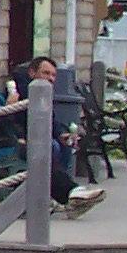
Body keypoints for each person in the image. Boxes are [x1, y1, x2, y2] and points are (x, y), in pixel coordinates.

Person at [19, 55, 105, 217]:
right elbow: (12, 121)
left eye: (53, 75)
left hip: (36, 138)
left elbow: (51, 121)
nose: (50, 79)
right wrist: (17, 136)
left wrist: (61, 134)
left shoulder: (45, 95)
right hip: (18, 141)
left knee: (63, 144)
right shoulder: (21, 93)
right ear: (32, 73)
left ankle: (65, 197)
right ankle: (71, 195)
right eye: (46, 73)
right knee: (49, 148)